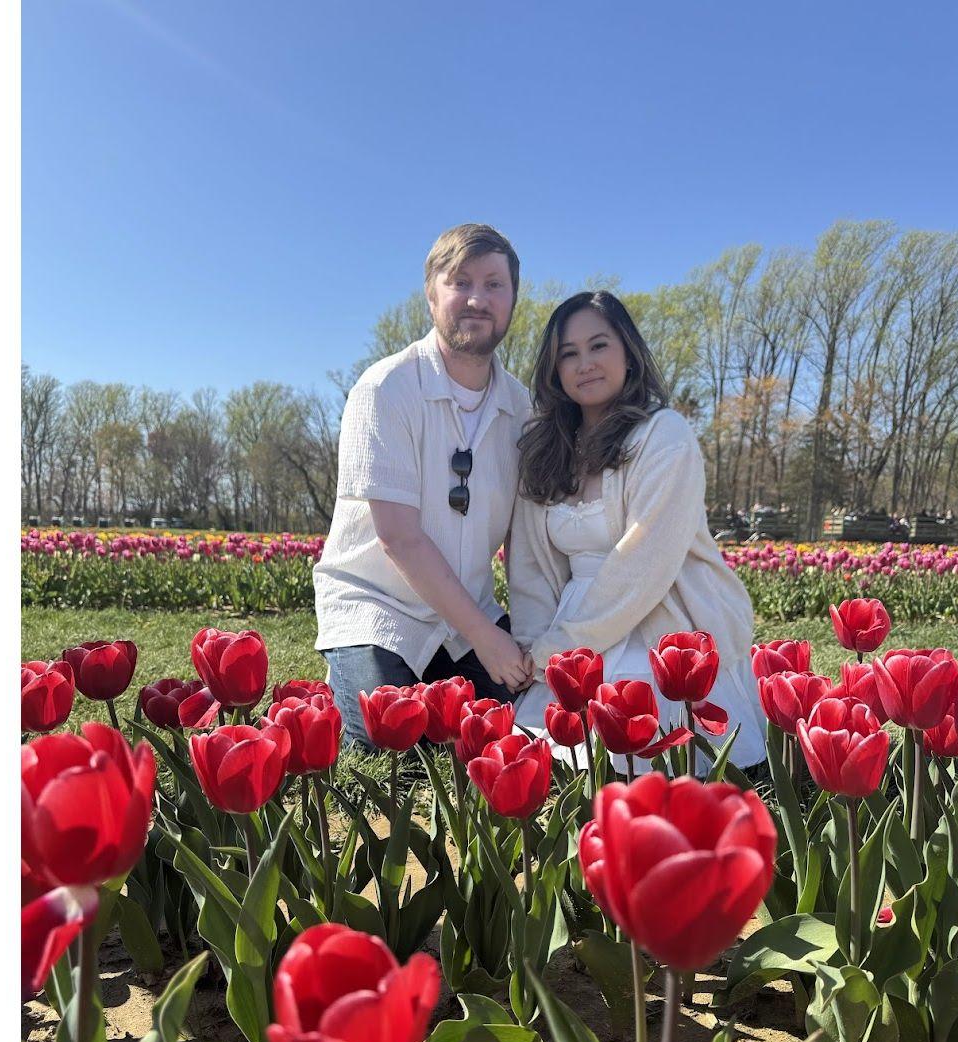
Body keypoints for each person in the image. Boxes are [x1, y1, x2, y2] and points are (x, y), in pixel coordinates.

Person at [509, 290, 767, 771]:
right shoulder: (544, 449)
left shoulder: (664, 434)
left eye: (599, 345)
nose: (585, 363)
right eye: (569, 353)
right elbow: (529, 566)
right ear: (555, 370)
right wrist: (532, 649)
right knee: (554, 763)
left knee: (638, 757)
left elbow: (644, 563)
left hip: (656, 618)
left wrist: (559, 649)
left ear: (627, 351)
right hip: (571, 624)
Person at [314, 223, 535, 748]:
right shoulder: (386, 389)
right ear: (431, 294)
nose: (477, 299)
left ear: (512, 299)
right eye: (459, 282)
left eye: (494, 284)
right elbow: (399, 537)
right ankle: (350, 671)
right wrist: (488, 640)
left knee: (517, 733)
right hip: (379, 607)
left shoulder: (522, 409)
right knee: (394, 745)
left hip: (469, 613)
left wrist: (523, 634)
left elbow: (526, 538)